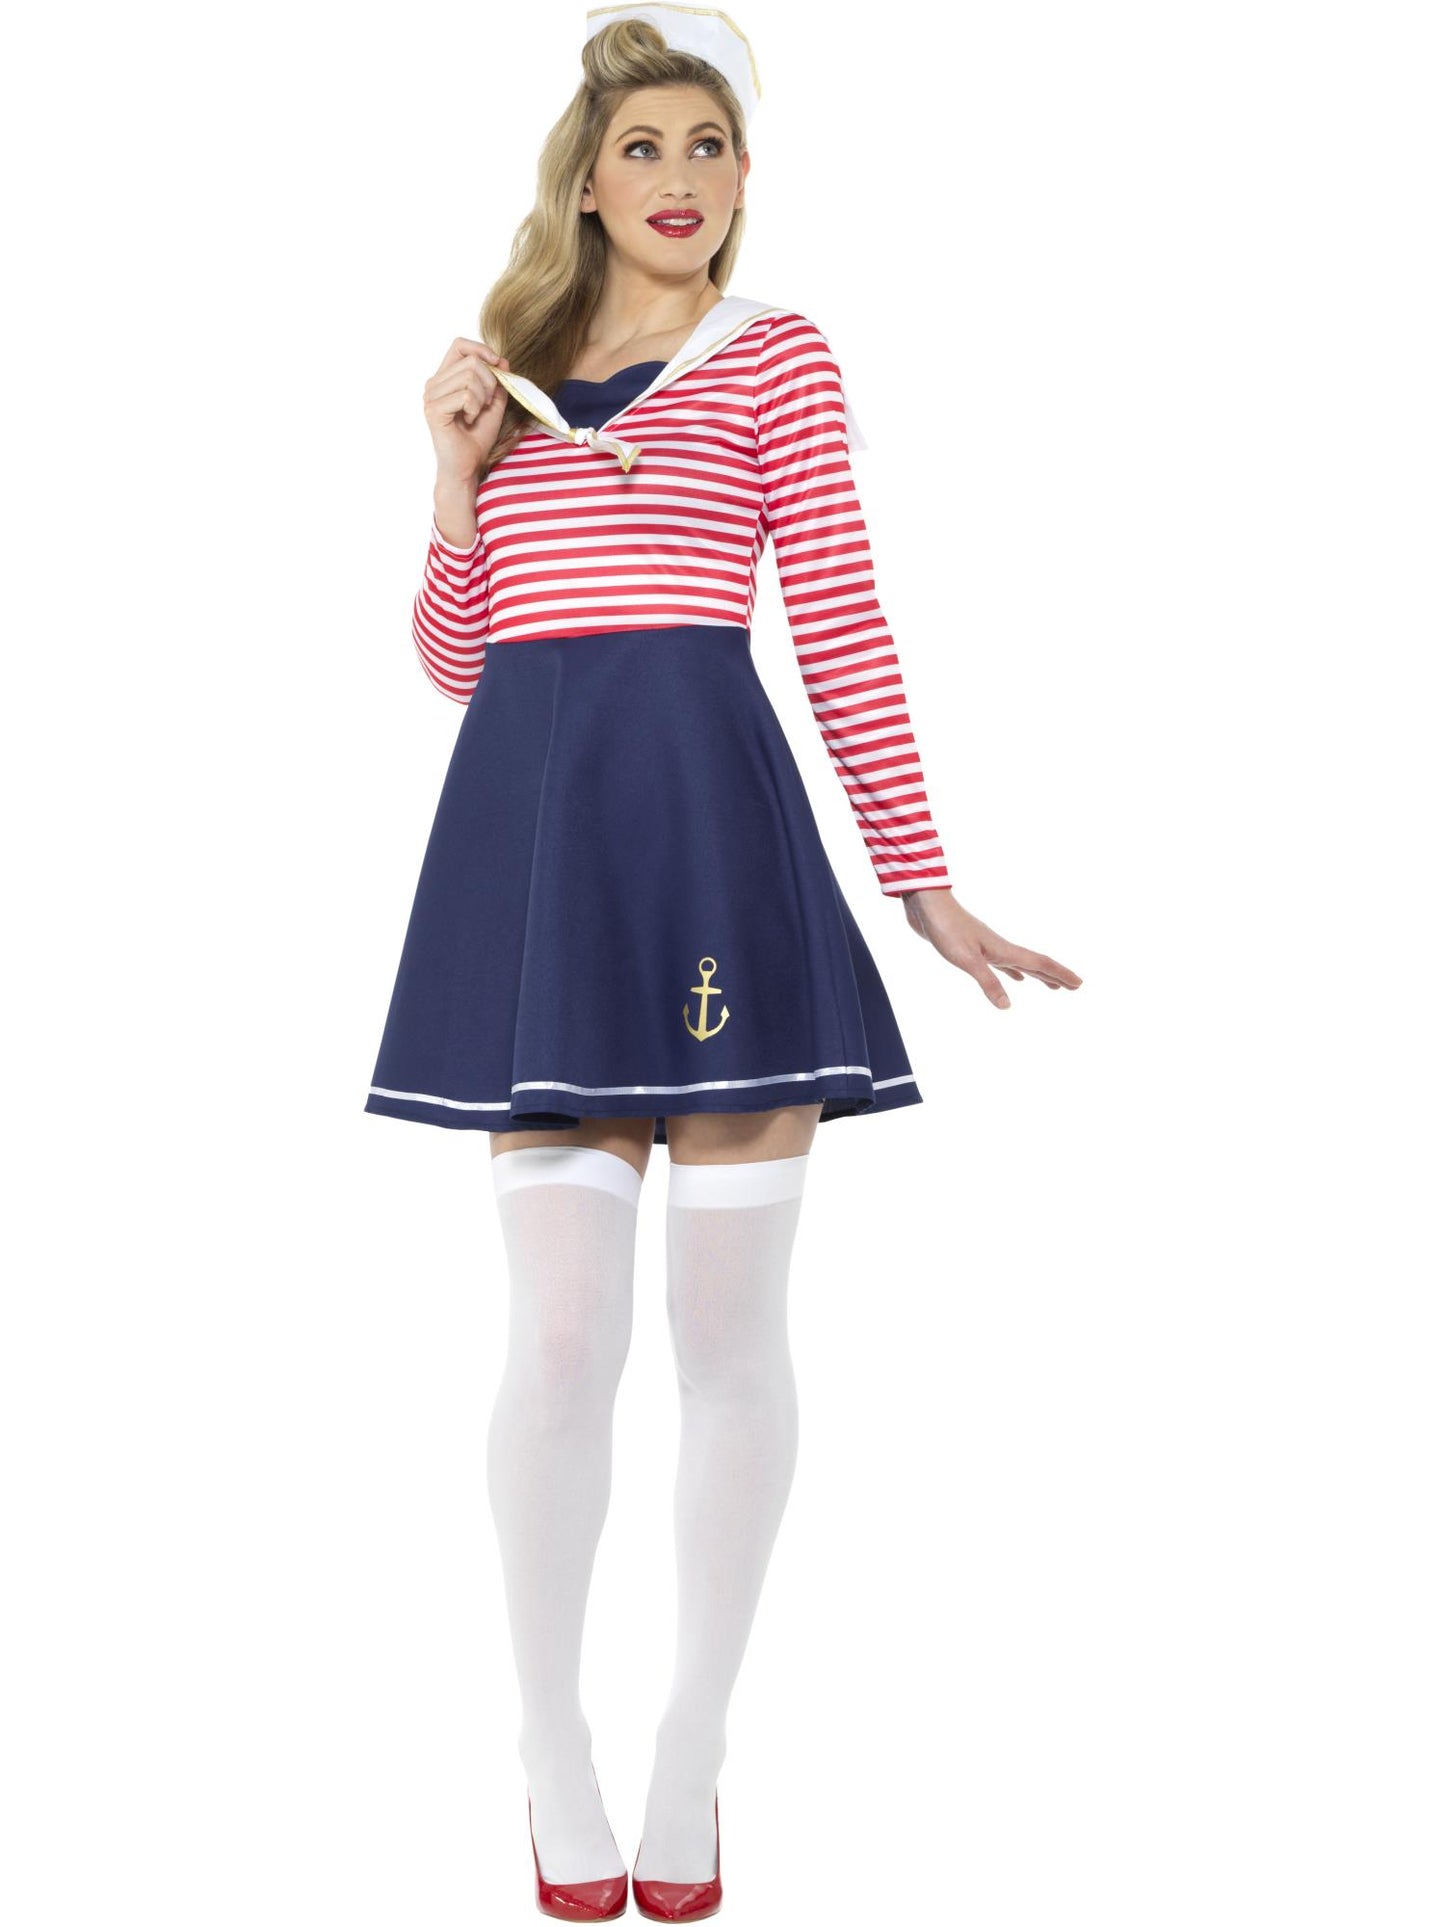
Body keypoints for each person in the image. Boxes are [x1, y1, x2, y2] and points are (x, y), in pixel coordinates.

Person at [365, 7, 1082, 1918]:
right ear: (587, 181)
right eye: (645, 149)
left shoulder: (775, 355)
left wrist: (920, 882)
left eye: (708, 147)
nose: (679, 179)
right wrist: (449, 477)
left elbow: (838, 615)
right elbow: (456, 665)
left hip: (708, 857)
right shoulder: (508, 375)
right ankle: (549, 1747)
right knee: (559, 1338)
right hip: (541, 864)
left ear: (743, 175)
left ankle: (689, 1750)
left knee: (725, 1338)